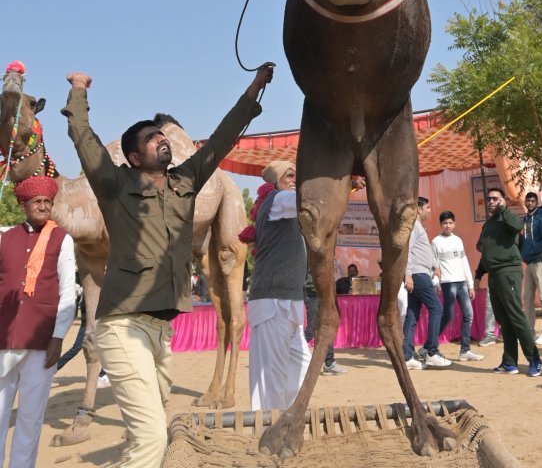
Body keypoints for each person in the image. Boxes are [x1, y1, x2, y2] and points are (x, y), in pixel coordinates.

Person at [63, 65, 273, 468]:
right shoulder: (114, 186)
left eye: (162, 136)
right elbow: (83, 139)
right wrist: (78, 92)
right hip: (123, 325)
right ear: (133, 156)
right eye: (151, 139)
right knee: (150, 441)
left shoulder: (185, 182)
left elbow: (222, 139)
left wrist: (252, 92)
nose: (163, 141)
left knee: (153, 427)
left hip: (162, 331)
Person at [0, 176, 76, 468]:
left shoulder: (62, 239)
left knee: (30, 419)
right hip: (4, 339)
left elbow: (68, 291)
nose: (43, 207)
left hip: (42, 342)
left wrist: (58, 337)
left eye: (47, 202)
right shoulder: (5, 236)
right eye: (37, 202)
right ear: (24, 205)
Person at [247, 161, 312, 407]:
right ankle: (266, 432)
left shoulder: (287, 208)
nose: (296, 178)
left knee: (301, 367)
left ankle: (282, 423)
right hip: (272, 303)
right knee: (269, 380)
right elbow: (304, 199)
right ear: (275, 182)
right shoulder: (276, 200)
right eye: (290, 175)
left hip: (289, 303)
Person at [478, 187, 542, 377]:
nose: (491, 202)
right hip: (494, 274)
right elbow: (486, 251)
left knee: (515, 316)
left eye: (495, 199)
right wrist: (478, 274)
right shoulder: (489, 224)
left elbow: (517, 227)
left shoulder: (509, 218)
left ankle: (535, 359)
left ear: (503, 200)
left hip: (509, 271)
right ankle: (509, 363)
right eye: (488, 199)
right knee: (504, 320)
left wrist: (504, 209)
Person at [403, 197, 451, 369]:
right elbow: (407, 251)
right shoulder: (413, 227)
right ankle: (431, 352)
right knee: (437, 309)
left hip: (421, 272)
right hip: (417, 274)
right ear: (418, 209)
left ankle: (407, 357)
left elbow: (422, 251)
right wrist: (407, 275)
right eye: (428, 207)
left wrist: (434, 265)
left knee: (412, 314)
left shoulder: (418, 227)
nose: (430, 210)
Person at [431, 211, 483, 361]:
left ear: (454, 223)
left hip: (461, 283)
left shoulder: (458, 240)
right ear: (440, 224)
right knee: (447, 316)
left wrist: (470, 284)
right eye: (445, 223)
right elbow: (434, 266)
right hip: (448, 284)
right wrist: (436, 283)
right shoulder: (436, 242)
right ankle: (429, 346)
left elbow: (464, 262)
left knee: (468, 315)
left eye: (450, 222)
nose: (448, 225)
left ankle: (465, 351)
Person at [520, 192, 542, 346]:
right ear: (525, 202)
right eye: (528, 200)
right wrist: (524, 253)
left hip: (539, 261)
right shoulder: (525, 218)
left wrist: (531, 251)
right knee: (527, 298)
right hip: (528, 263)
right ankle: (530, 331)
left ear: (536, 202)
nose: (530, 203)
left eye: (533, 200)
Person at [304, 269, 346, 376]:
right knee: (310, 330)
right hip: (312, 294)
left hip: (324, 294)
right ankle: (290, 359)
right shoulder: (307, 253)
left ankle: (329, 363)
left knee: (327, 329)